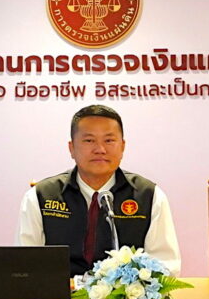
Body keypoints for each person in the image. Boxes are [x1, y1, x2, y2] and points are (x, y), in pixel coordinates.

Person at [17, 105, 181, 277]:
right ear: (71, 148)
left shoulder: (149, 196)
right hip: (59, 293)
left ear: (122, 147)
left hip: (123, 294)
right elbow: (24, 265)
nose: (100, 149)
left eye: (109, 140)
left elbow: (165, 266)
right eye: (89, 140)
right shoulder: (40, 196)